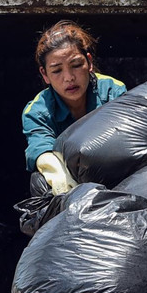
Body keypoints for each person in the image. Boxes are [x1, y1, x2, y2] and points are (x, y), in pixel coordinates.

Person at [22, 20, 126, 194]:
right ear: (44, 74)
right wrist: (57, 175)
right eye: (56, 70)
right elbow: (39, 145)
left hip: (114, 173)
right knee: (39, 181)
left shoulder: (112, 91)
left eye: (76, 65)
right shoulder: (37, 110)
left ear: (89, 63)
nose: (69, 77)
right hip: (72, 182)